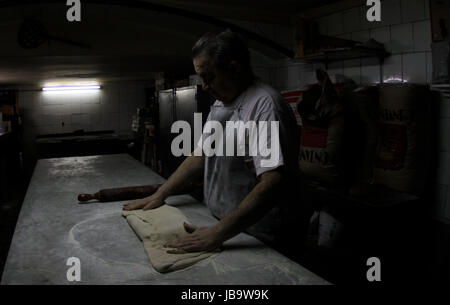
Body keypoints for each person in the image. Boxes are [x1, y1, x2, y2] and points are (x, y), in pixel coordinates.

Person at [123, 29, 311, 258]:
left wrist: (217, 234)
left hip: (260, 237)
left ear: (235, 68)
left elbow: (272, 182)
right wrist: (160, 194)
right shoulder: (222, 102)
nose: (204, 86)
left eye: (208, 77)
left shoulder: (264, 105)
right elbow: (201, 154)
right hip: (223, 225)